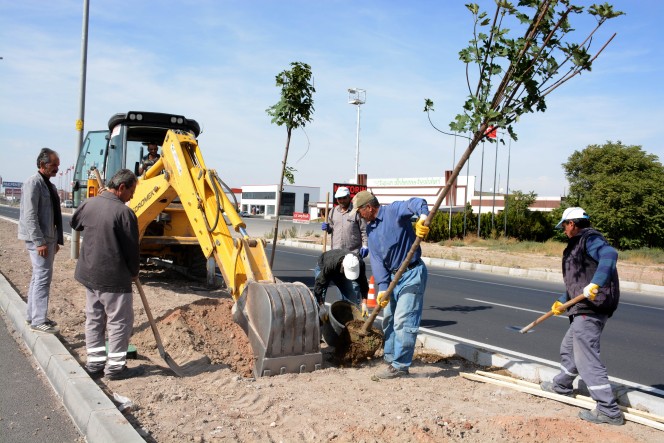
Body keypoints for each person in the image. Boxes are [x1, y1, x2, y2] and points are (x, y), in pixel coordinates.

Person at [539, 207, 623, 425]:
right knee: (568, 348)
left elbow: (610, 255)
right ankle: (562, 385)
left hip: (592, 306)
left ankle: (608, 410)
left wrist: (596, 283)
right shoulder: (576, 246)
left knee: (586, 357)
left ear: (572, 224)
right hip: (582, 305)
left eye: (564, 226)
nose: (564, 230)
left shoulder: (590, 239)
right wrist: (562, 300)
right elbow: (578, 280)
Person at [71, 169, 145, 381]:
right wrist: (134, 272)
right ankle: (115, 368)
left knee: (94, 318)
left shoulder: (90, 203)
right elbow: (132, 249)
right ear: (121, 188)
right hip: (113, 278)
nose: (131, 196)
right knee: (119, 322)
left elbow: (75, 223)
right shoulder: (124, 213)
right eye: (131, 191)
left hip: (89, 274)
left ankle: (94, 364)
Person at [350, 190, 430, 379]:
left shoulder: (393, 211)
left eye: (360, 211)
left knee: (403, 319)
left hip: (412, 273)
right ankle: (390, 358)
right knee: (389, 319)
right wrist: (382, 288)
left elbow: (417, 201)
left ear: (369, 207)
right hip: (393, 279)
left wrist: (422, 218)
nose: (359, 216)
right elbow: (377, 261)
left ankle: (400, 366)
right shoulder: (371, 229)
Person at [18, 148, 64, 334]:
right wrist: (40, 242)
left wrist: (55, 241)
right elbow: (30, 216)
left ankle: (32, 316)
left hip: (47, 239)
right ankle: (38, 320)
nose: (57, 170)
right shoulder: (33, 183)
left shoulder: (49, 185)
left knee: (38, 277)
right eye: (54, 166)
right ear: (43, 165)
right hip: (39, 240)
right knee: (43, 278)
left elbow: (53, 216)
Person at [314, 250, 369, 319]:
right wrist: (321, 305)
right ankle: (318, 321)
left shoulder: (360, 264)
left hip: (340, 272)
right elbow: (318, 286)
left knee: (351, 296)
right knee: (321, 295)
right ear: (343, 266)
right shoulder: (330, 264)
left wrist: (364, 303)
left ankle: (347, 320)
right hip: (323, 267)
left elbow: (364, 284)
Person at [321, 187, 368, 257]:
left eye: (344, 198)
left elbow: (364, 231)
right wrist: (327, 228)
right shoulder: (333, 211)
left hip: (353, 253)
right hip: (336, 252)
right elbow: (331, 229)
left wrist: (365, 246)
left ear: (349, 197)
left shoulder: (357, 211)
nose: (342, 200)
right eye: (339, 198)